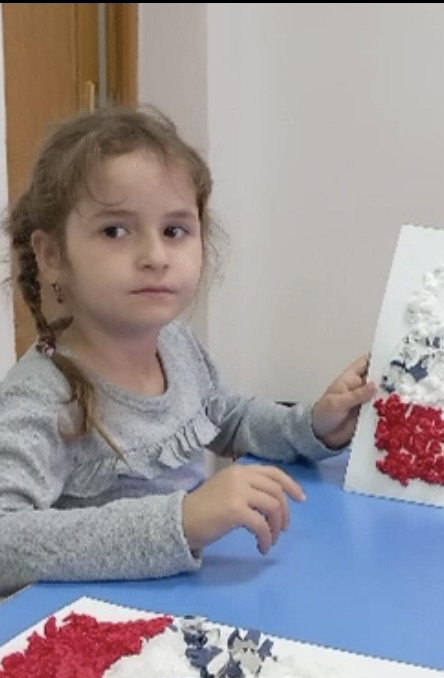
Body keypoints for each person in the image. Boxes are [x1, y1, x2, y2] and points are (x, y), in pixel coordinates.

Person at [0, 104, 375, 598]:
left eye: (174, 231)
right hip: (94, 629)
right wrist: (181, 520)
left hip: (187, 608)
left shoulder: (176, 343)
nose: (155, 256)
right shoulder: (41, 395)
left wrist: (312, 426)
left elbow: (228, 418)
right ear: (51, 255)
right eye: (115, 231)